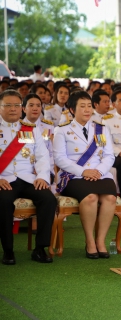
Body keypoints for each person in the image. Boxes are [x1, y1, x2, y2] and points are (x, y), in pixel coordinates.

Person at [53, 91, 117, 259]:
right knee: (90, 198)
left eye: (89, 106)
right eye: (82, 106)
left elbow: (109, 155)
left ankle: (100, 241)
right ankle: (90, 241)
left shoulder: (101, 129)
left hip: (100, 173)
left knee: (110, 198)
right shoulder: (62, 130)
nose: (87, 110)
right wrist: (83, 171)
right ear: (72, 110)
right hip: (74, 176)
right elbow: (59, 159)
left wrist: (99, 171)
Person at [0, 90, 56, 265]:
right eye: (7, 105)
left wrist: (41, 177)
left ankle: (40, 249)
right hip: (4, 179)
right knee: (3, 201)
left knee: (48, 199)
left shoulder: (31, 130)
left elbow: (42, 156)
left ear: (21, 108)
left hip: (27, 179)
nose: (12, 109)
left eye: (16, 105)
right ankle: (8, 250)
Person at [22, 94, 55, 180]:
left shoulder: (48, 127)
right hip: (23, 172)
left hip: (45, 171)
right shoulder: (18, 128)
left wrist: (46, 171)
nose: (35, 108)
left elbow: (51, 154)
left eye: (38, 105)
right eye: (31, 105)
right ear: (24, 109)